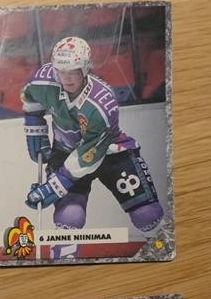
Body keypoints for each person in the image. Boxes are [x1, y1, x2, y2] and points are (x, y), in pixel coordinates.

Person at [21, 36, 164, 233]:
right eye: (61, 71)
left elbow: (91, 154)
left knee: (147, 215)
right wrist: (34, 126)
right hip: (66, 151)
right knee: (69, 218)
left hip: (110, 152)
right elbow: (29, 95)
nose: (66, 78)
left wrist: (55, 185)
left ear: (86, 68)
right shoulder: (43, 80)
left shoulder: (101, 103)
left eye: (73, 71)